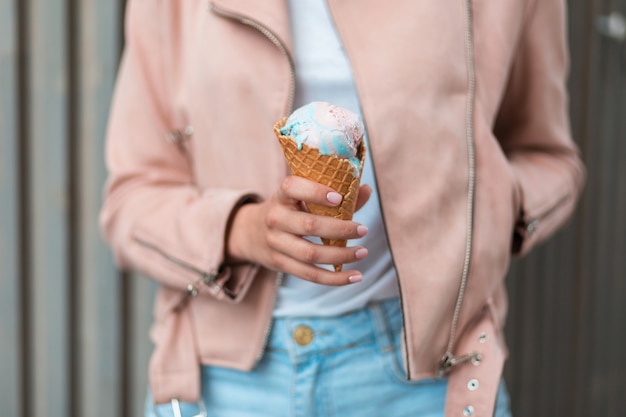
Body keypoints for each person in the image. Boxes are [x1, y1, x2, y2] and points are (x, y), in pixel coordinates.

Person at [100, 0, 585, 416]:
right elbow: (130, 201)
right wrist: (245, 229)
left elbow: (549, 160)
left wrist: (493, 210)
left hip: (429, 376)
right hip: (223, 380)